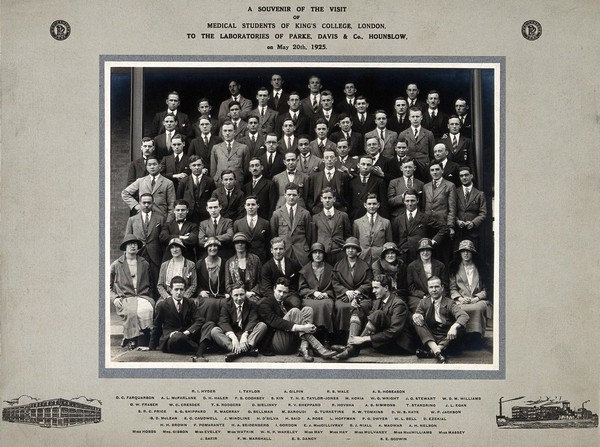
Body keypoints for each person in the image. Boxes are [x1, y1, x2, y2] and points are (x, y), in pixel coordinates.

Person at [333, 275, 411, 360]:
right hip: (383, 342)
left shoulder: (399, 304)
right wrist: (357, 304)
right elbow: (370, 319)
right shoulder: (378, 301)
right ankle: (351, 347)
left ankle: (352, 348)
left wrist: (363, 339)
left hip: (398, 345)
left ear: (386, 288)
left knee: (378, 314)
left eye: (376, 288)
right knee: (358, 310)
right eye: (373, 288)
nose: (373, 291)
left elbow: (393, 332)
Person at [258, 277, 336, 361]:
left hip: (291, 342)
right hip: (276, 343)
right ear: (274, 289)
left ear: (288, 293)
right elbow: (275, 322)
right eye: (279, 291)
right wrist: (303, 328)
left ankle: (304, 348)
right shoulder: (265, 303)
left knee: (308, 310)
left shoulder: (287, 303)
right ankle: (319, 347)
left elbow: (302, 318)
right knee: (294, 311)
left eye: (284, 292)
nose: (281, 295)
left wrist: (312, 327)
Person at [110, 235, 155, 350]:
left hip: (142, 296)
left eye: (135, 244)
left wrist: (148, 296)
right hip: (125, 297)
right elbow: (107, 285)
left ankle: (145, 335)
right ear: (125, 247)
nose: (133, 246)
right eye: (130, 244)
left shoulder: (144, 263)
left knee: (148, 309)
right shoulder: (116, 264)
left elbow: (151, 283)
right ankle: (132, 339)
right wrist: (114, 298)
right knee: (132, 312)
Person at [413, 276, 469, 363]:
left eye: (436, 286)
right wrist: (416, 315)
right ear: (428, 289)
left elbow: (464, 316)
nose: (434, 290)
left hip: (447, 335)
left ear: (442, 288)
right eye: (431, 287)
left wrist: (454, 327)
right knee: (417, 322)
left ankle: (434, 351)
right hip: (431, 336)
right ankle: (437, 350)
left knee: (460, 328)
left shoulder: (449, 302)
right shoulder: (423, 302)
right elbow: (418, 313)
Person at [147, 276, 207, 356]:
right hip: (171, 340)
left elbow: (199, 320)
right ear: (171, 290)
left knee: (209, 324)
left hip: (186, 337)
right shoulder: (162, 305)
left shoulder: (190, 303)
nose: (179, 292)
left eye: (181, 290)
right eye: (176, 289)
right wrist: (151, 346)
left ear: (185, 290)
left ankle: (192, 347)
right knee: (177, 336)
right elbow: (156, 326)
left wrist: (187, 332)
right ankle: (198, 349)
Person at [210, 281, 268, 362]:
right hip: (232, 336)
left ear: (245, 293)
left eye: (242, 294)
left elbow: (253, 320)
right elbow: (223, 322)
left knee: (262, 326)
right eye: (236, 295)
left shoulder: (252, 304)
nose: (239, 298)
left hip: (247, 336)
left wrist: (245, 335)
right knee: (214, 331)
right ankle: (245, 350)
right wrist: (233, 337)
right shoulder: (226, 305)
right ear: (231, 294)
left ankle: (236, 352)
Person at [449, 240, 490, 347]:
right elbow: (452, 288)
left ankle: (476, 337)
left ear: (472, 253)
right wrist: (459, 298)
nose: (466, 253)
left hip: (477, 300)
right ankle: (463, 337)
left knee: (479, 308)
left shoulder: (481, 268)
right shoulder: (454, 268)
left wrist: (477, 298)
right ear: (460, 253)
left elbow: (486, 289)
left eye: (468, 251)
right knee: (460, 309)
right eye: (463, 251)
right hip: (461, 301)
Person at [332, 237, 373, 343]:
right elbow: (335, 283)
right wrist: (346, 291)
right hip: (344, 296)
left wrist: (358, 291)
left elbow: (369, 282)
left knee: (362, 307)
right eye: (348, 248)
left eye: (353, 248)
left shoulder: (365, 266)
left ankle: (358, 338)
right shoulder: (338, 265)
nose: (350, 250)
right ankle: (342, 338)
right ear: (345, 250)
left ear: (358, 251)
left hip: (361, 296)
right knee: (341, 307)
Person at [393, 189, 449, 265]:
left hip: (420, 256)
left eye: (412, 200)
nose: (410, 203)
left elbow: (444, 228)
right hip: (403, 258)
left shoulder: (425, 218)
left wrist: (433, 241)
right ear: (404, 201)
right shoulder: (398, 219)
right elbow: (395, 239)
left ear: (417, 200)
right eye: (407, 201)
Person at [124, 193, 165, 298]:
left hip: (155, 256)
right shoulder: (132, 220)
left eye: (149, 203)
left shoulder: (160, 219)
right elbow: (127, 240)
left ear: (152, 203)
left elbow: (163, 239)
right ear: (140, 203)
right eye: (144, 203)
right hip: (139, 255)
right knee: (140, 282)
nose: (146, 205)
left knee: (156, 282)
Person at [298, 243, 336, 346]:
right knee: (310, 306)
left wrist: (326, 294)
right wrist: (313, 293)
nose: (318, 255)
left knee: (326, 304)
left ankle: (325, 337)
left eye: (320, 253)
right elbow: (301, 289)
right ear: (311, 255)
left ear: (324, 255)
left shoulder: (330, 269)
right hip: (309, 298)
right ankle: (311, 339)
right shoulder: (305, 270)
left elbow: (335, 287)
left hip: (326, 297)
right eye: (315, 252)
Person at [423, 160, 457, 265]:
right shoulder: (426, 186)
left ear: (442, 170)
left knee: (443, 256)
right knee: (430, 255)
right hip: (428, 225)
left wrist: (450, 226)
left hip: (443, 226)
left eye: (437, 169)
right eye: (432, 170)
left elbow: (452, 208)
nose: (435, 172)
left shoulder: (450, 186)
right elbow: (424, 206)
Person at [270, 182, 312, 266]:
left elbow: (309, 235)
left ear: (298, 196)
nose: (291, 197)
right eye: (289, 195)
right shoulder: (277, 214)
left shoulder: (305, 213)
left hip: (301, 253)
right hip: (284, 252)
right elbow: (274, 234)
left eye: (294, 195)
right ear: (284, 195)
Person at [312, 187, 352, 266]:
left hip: (340, 253)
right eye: (325, 198)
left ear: (334, 199)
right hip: (324, 255)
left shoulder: (343, 216)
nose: (327, 200)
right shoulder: (315, 218)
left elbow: (348, 236)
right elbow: (314, 239)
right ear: (321, 199)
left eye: (329, 198)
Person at [406, 238, 448, 313]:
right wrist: (424, 296)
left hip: (438, 295)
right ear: (419, 252)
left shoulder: (440, 265)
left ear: (431, 251)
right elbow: (411, 288)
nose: (425, 253)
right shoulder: (412, 266)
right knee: (422, 309)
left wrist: (438, 296)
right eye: (422, 250)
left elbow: (445, 285)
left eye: (428, 250)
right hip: (419, 297)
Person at [260, 237, 302, 306]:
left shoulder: (294, 264)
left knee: (295, 304)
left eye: (281, 249)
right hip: (273, 296)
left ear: (285, 250)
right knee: (261, 305)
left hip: (290, 295)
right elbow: (266, 288)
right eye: (275, 249)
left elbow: (297, 283)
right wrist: (277, 297)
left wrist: (287, 294)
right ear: (271, 250)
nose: (278, 252)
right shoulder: (266, 267)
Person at [353, 193, 392, 265]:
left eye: (374, 204)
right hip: (362, 259)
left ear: (378, 205)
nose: (372, 206)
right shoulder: (357, 223)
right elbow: (355, 243)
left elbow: (389, 243)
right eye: (369, 204)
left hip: (379, 260)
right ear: (365, 205)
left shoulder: (386, 222)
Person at [306, 149, 349, 215]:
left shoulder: (343, 176)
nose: (329, 160)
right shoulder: (315, 177)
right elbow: (310, 196)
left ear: (335, 159)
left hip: (339, 211)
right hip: (319, 211)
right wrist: (313, 208)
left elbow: (348, 195)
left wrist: (345, 208)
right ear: (323, 160)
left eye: (332, 157)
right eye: (326, 157)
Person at [195, 237, 228, 324]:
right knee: (210, 303)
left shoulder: (225, 263)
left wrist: (227, 292)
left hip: (221, 295)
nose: (213, 248)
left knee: (226, 303)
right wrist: (200, 291)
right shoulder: (199, 264)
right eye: (210, 246)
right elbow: (196, 283)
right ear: (206, 248)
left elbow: (228, 280)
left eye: (215, 246)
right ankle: (207, 327)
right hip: (206, 296)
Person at [398, 107, 435, 182]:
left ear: (421, 117)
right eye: (413, 116)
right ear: (409, 118)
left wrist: (428, 165)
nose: (415, 119)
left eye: (417, 116)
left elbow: (432, 154)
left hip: (425, 167)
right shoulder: (403, 134)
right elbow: (400, 152)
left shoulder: (428, 134)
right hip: (409, 167)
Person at [347, 155, 388, 221]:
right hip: (356, 217)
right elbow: (349, 203)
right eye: (363, 164)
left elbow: (383, 204)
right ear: (358, 165)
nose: (365, 167)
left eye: (368, 165)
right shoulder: (351, 182)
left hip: (373, 217)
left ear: (372, 166)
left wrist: (383, 220)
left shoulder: (379, 181)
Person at [224, 232, 262, 304]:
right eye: (237, 243)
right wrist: (240, 293)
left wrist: (252, 292)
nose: (240, 245)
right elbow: (228, 284)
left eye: (242, 242)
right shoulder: (229, 262)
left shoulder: (255, 259)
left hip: (252, 295)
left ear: (246, 245)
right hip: (235, 296)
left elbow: (260, 281)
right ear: (234, 245)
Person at [455, 166, 487, 250]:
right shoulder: (455, 192)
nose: (464, 177)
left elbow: (483, 213)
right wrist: (457, 221)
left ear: (471, 176)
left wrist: (473, 223)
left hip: (473, 232)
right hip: (458, 231)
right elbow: (451, 210)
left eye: (466, 175)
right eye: (461, 176)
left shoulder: (479, 194)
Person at [157, 238, 197, 302]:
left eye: (177, 247)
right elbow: (160, 285)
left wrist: (183, 297)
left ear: (181, 248)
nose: (174, 250)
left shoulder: (190, 264)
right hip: (168, 296)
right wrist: (167, 297)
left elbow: (193, 285)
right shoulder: (164, 265)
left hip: (184, 296)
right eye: (172, 247)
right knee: (160, 305)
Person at [210, 120, 249, 187]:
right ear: (222, 132)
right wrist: (216, 180)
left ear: (235, 132)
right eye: (225, 131)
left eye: (230, 130)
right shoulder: (216, 148)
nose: (227, 133)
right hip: (220, 184)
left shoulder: (243, 148)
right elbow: (213, 169)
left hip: (238, 184)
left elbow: (246, 170)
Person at [233, 195, 271, 263]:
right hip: (243, 258)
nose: (250, 207)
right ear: (245, 206)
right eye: (248, 205)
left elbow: (267, 244)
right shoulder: (237, 223)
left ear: (258, 206)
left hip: (261, 259)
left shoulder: (265, 223)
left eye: (253, 204)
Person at [179, 156, 216, 224]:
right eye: (194, 165)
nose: (196, 167)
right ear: (190, 166)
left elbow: (212, 197)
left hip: (204, 215)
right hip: (189, 215)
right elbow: (179, 199)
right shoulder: (184, 182)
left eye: (199, 165)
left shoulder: (209, 181)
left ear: (203, 166)